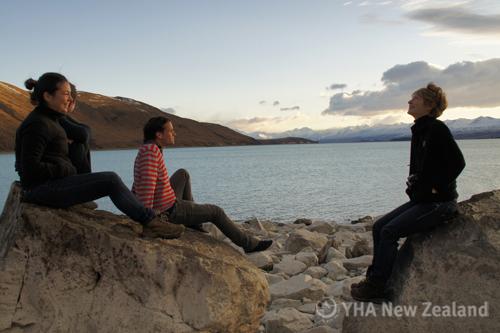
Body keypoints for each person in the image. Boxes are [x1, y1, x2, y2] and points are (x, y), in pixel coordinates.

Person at [15, 72, 183, 239]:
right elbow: (29, 170)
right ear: (48, 96)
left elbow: (82, 134)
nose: (69, 99)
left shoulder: (50, 119)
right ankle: (150, 222)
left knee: (91, 159)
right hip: (41, 189)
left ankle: (149, 219)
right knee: (110, 180)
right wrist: (64, 167)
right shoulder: (38, 124)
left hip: (51, 184)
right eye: (65, 94)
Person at [350, 83, 466, 303]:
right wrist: (415, 186)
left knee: (390, 231)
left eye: (415, 98)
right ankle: (374, 279)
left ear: (429, 105)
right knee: (379, 226)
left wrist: (437, 187)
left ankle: (378, 287)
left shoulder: (437, 128)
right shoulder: (420, 128)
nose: (410, 102)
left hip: (440, 203)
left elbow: (458, 163)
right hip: (423, 200)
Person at [132, 116, 273, 253]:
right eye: (170, 130)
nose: (174, 133)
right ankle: (249, 244)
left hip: (165, 201)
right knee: (216, 211)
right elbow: (146, 186)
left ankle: (194, 224)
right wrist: (150, 219)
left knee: (183, 174)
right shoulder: (151, 151)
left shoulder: (149, 148)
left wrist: (135, 201)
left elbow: (138, 182)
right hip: (168, 210)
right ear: (159, 134)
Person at [58, 83, 92, 174]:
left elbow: (84, 130)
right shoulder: (57, 118)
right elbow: (83, 134)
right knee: (111, 179)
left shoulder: (60, 118)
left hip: (65, 176)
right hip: (62, 180)